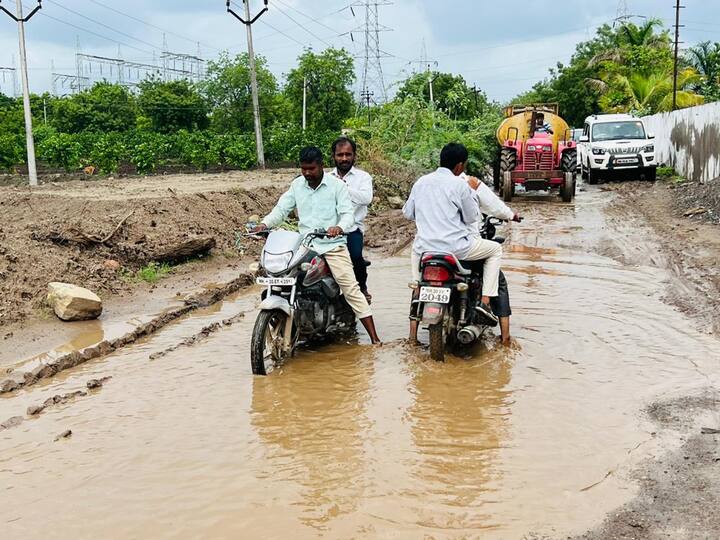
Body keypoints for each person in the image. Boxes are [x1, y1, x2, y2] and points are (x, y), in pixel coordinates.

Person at [252, 146, 381, 345]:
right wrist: (265, 224)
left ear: (321, 165)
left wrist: (339, 227)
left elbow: (347, 214)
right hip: (304, 244)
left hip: (332, 245)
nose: (307, 173)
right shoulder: (297, 185)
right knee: (282, 277)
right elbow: (281, 209)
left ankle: (375, 339)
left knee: (350, 287)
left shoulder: (337, 186)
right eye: (303, 169)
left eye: (311, 168)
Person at [403, 142, 503, 343]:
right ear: (459, 166)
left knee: (417, 278)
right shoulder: (460, 185)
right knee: (495, 250)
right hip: (457, 250)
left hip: (425, 251)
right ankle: (484, 302)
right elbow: (470, 218)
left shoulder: (421, 182)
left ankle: (416, 304)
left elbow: (407, 213)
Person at [462, 172, 522, 345]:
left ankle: (412, 335)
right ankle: (504, 337)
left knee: (419, 283)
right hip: (464, 247)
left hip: (431, 248)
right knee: (498, 277)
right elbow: (494, 206)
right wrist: (511, 215)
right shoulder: (468, 183)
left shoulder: (426, 183)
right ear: (460, 165)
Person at [329, 136, 374, 304]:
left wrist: (342, 187)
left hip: (352, 229)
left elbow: (366, 198)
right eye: (340, 155)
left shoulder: (363, 177)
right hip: (330, 231)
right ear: (333, 156)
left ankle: (362, 288)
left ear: (354, 156)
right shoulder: (326, 177)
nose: (344, 158)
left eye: (348, 154)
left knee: (356, 258)